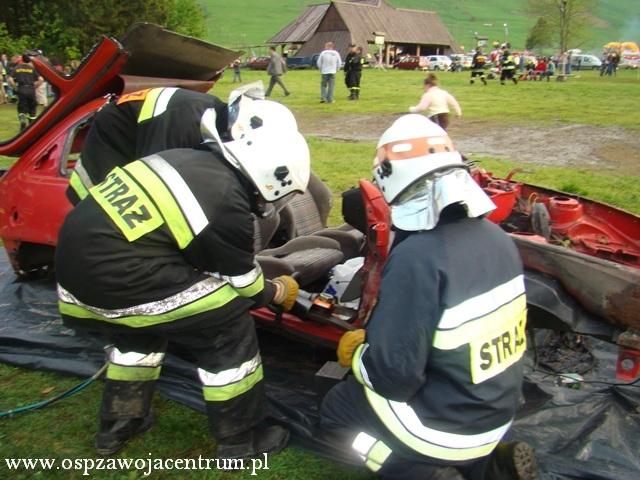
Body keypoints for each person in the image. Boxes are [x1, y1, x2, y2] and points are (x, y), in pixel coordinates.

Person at [56, 99, 310, 458]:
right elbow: (242, 282)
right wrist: (278, 290)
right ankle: (241, 441)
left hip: (76, 285)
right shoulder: (227, 198)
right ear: (269, 177)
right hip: (127, 283)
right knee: (228, 329)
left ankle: (118, 425)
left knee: (136, 337)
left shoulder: (183, 158)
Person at [320, 114, 536, 480]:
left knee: (337, 412)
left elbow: (393, 378)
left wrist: (358, 354)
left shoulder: (417, 258)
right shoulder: (498, 239)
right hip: (499, 414)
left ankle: (414, 471)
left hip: (443, 428)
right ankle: (491, 467)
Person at [66, 87, 230, 205]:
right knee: (105, 206)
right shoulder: (186, 120)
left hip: (135, 137)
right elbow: (157, 177)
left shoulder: (211, 112)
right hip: (113, 142)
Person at [7, 53, 43, 130]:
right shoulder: (32, 69)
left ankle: (23, 119)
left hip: (21, 89)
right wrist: (35, 87)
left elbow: (10, 79)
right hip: (31, 89)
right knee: (32, 109)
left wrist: (15, 87)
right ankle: (32, 126)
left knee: (22, 107)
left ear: (22, 59)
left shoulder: (17, 68)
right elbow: (41, 79)